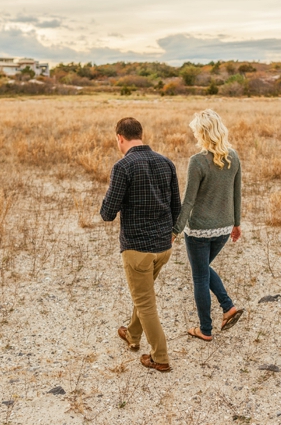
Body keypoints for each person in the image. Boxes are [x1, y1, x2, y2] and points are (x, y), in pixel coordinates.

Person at [101, 117, 181, 372]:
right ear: (141, 135)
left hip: (137, 249)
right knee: (143, 294)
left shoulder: (123, 167)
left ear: (119, 138)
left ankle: (161, 357)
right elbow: (177, 208)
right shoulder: (166, 162)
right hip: (163, 247)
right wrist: (172, 234)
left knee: (145, 303)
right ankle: (132, 335)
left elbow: (107, 213)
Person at [173, 109, 243, 342]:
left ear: (202, 133)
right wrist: (236, 223)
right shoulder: (233, 157)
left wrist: (175, 229)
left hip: (199, 230)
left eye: (196, 131)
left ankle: (205, 329)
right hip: (223, 229)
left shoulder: (197, 162)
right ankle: (228, 306)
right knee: (203, 269)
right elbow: (236, 193)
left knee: (200, 276)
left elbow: (189, 200)